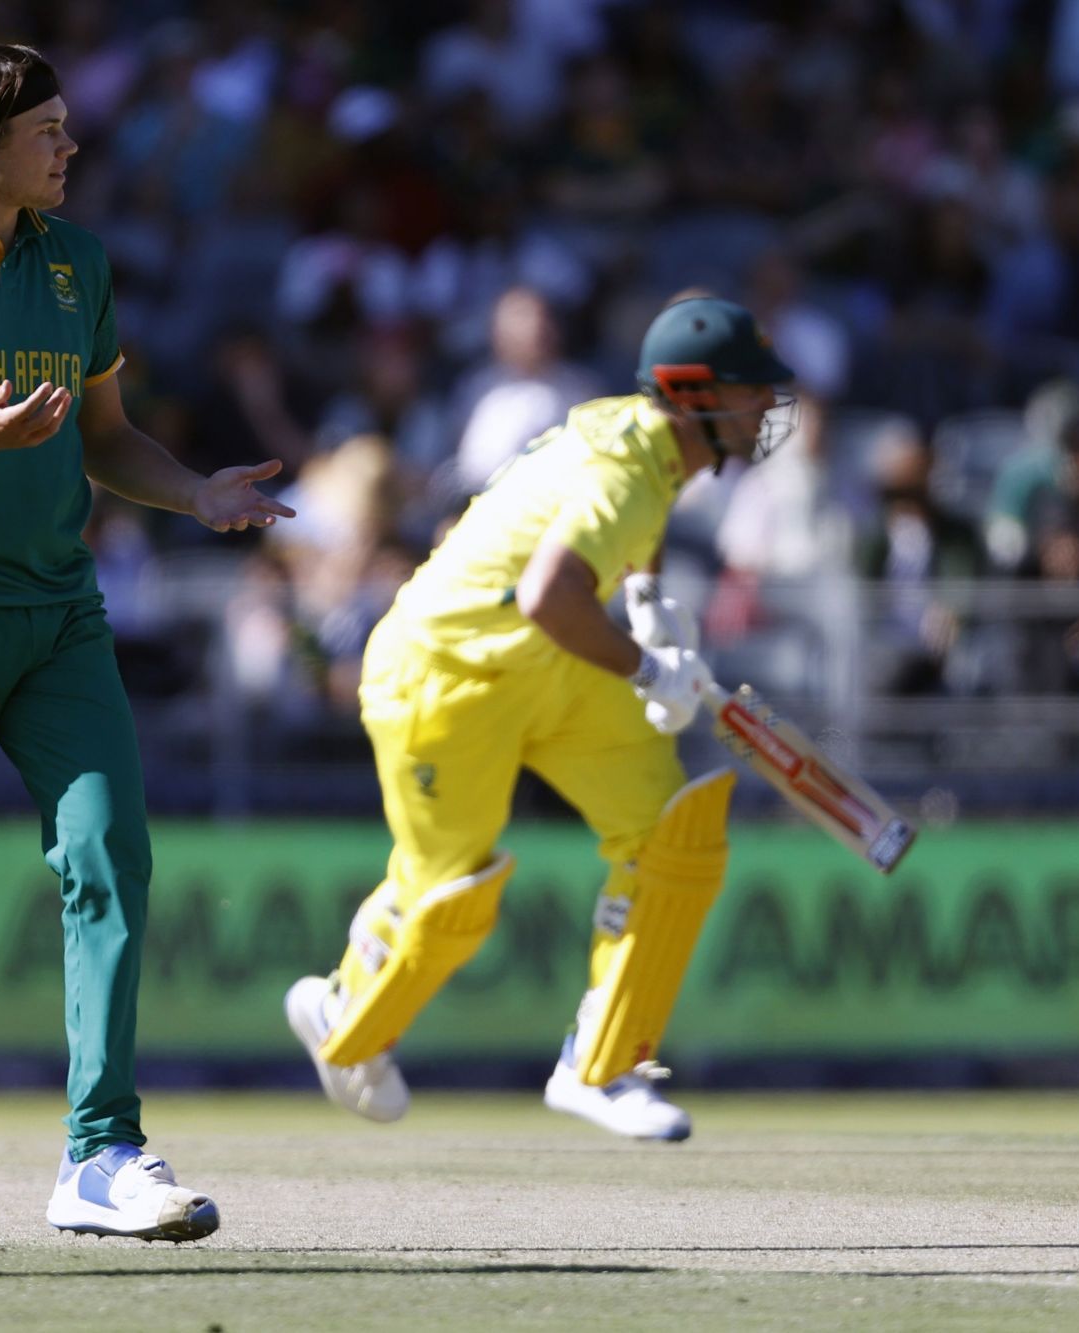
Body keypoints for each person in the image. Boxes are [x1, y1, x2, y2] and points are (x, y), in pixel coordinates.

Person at [0, 38, 292, 1247]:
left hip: (58, 611)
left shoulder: (76, 262)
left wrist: (198, 496)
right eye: (49, 134)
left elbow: (109, 436)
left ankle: (101, 1154)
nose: (72, 149)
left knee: (109, 854)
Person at [285, 295, 797, 1141]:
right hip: (444, 673)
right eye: (750, 391)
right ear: (696, 394)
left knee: (676, 829)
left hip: (546, 665)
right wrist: (644, 664)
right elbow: (548, 591)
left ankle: (606, 1066)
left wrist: (649, 609)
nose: (766, 408)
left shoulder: (650, 445)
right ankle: (346, 1017)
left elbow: (629, 545)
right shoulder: (626, 471)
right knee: (452, 896)